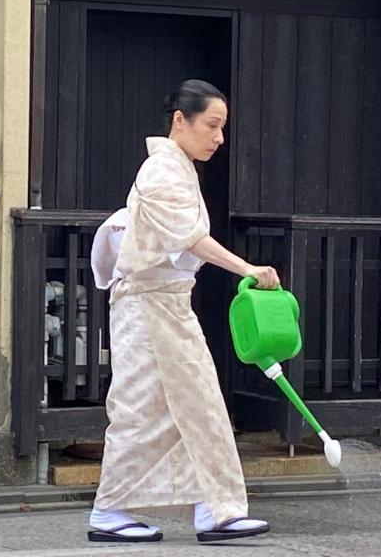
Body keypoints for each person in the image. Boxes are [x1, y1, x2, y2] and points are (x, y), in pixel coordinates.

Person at [88, 79, 280, 544]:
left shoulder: (176, 169)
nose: (219, 137)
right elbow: (189, 238)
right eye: (212, 125)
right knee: (141, 407)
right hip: (146, 307)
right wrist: (246, 267)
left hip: (167, 304)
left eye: (222, 127)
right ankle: (111, 509)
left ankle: (213, 509)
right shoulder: (160, 172)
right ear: (181, 120)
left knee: (196, 403)